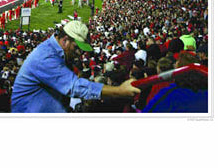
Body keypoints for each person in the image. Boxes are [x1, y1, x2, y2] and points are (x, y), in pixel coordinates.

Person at [11, 21, 140, 113]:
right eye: (77, 48)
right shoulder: (45, 57)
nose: (80, 53)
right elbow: (74, 86)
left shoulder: (59, 53)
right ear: (65, 40)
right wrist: (120, 90)